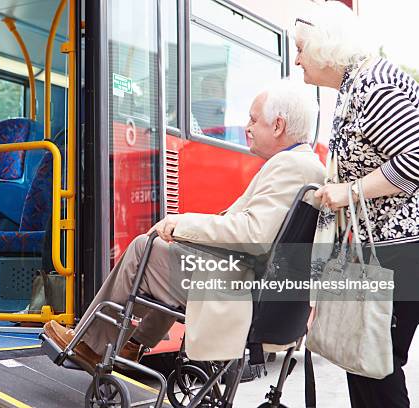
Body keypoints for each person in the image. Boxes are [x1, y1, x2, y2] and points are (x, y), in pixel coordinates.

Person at [44, 80, 325, 372]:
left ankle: (90, 345)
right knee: (169, 249)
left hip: (241, 290)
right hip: (256, 285)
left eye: (254, 120)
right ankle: (132, 344)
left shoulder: (290, 166)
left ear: (278, 125)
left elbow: (254, 234)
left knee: (145, 248)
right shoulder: (305, 165)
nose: (247, 127)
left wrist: (182, 222)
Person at [294, 3, 419, 407]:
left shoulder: (374, 85)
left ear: (325, 47)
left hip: (399, 250)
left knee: (375, 364)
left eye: (301, 48)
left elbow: (415, 160)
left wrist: (350, 192)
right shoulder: (355, 86)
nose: (296, 58)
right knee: (362, 359)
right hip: (379, 251)